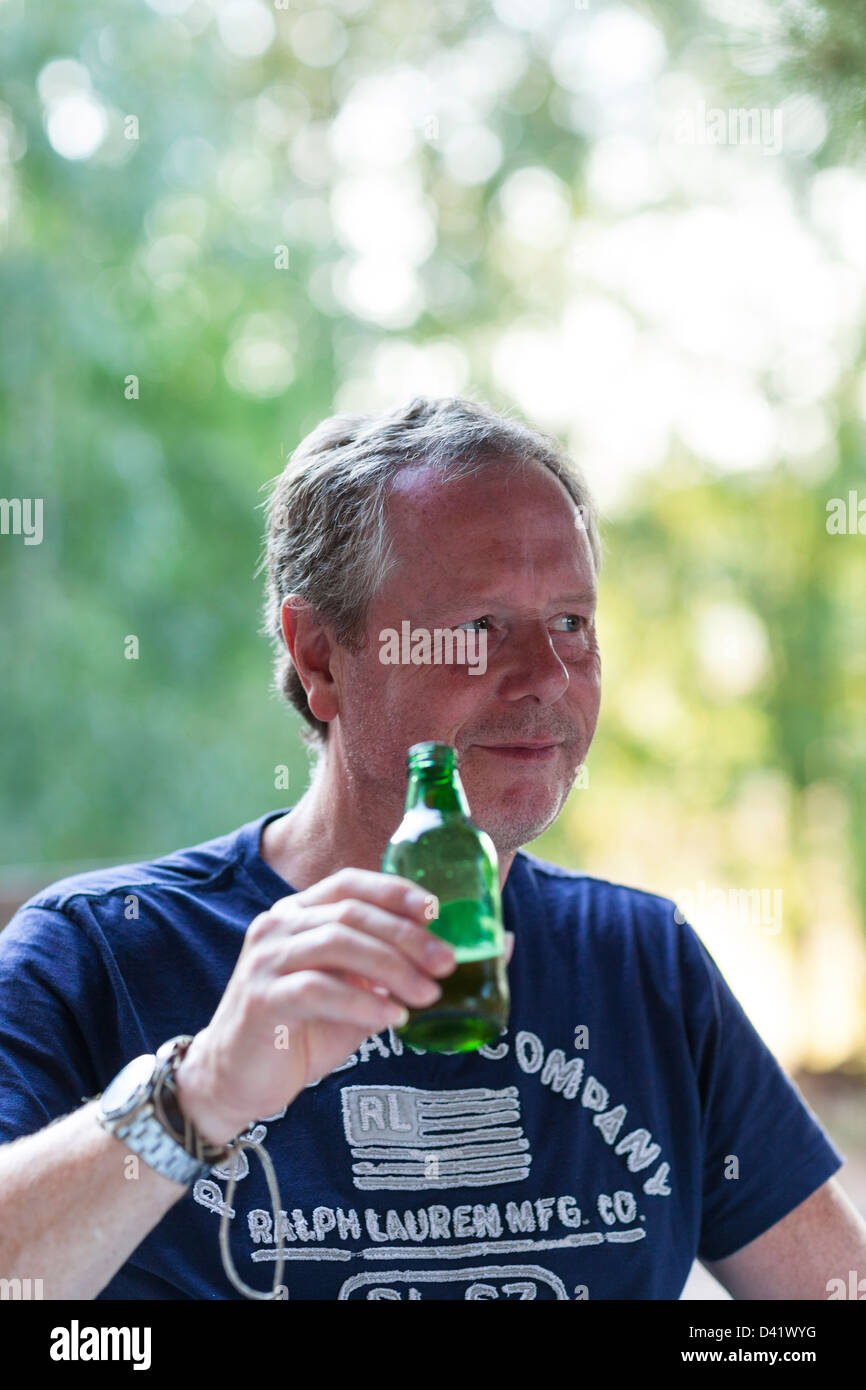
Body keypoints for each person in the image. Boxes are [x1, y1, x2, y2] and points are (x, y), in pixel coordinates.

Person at [1, 396, 864, 1302]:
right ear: (322, 659)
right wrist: (195, 1097)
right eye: (477, 627)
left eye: (571, 622)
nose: (547, 676)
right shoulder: (100, 954)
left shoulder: (641, 962)